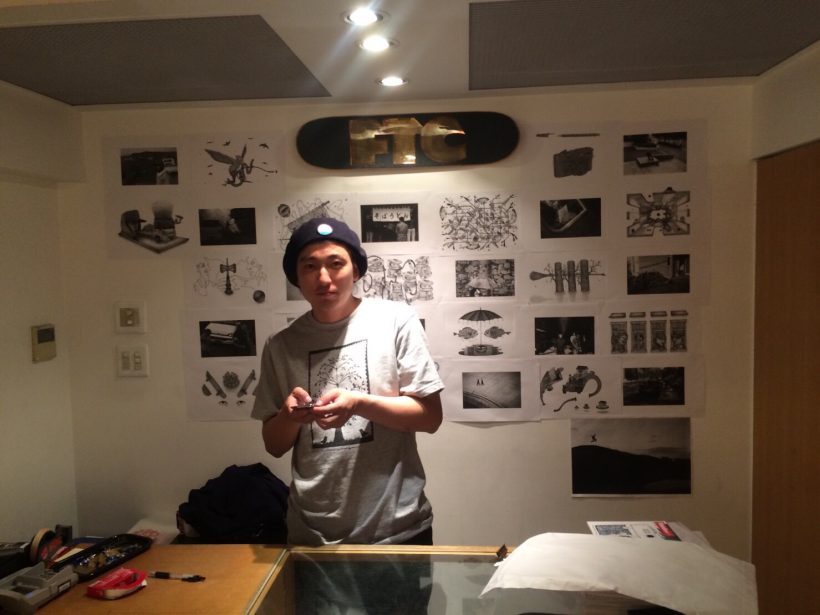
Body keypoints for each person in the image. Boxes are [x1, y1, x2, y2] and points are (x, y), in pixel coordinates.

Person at [252, 217, 443, 546]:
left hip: (397, 528)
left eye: (335, 263)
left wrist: (358, 403)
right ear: (296, 278)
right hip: (311, 533)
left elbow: (430, 417)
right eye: (309, 266)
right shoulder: (280, 345)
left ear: (355, 270)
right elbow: (274, 444)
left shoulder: (396, 320)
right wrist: (289, 416)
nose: (323, 277)